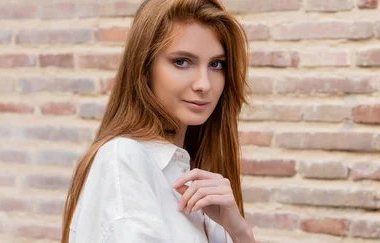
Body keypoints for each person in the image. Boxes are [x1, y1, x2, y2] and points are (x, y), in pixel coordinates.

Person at [61, 0, 255, 242]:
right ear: (144, 68)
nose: (204, 84)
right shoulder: (124, 157)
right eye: (182, 62)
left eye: (216, 64)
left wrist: (240, 232)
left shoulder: (195, 176)